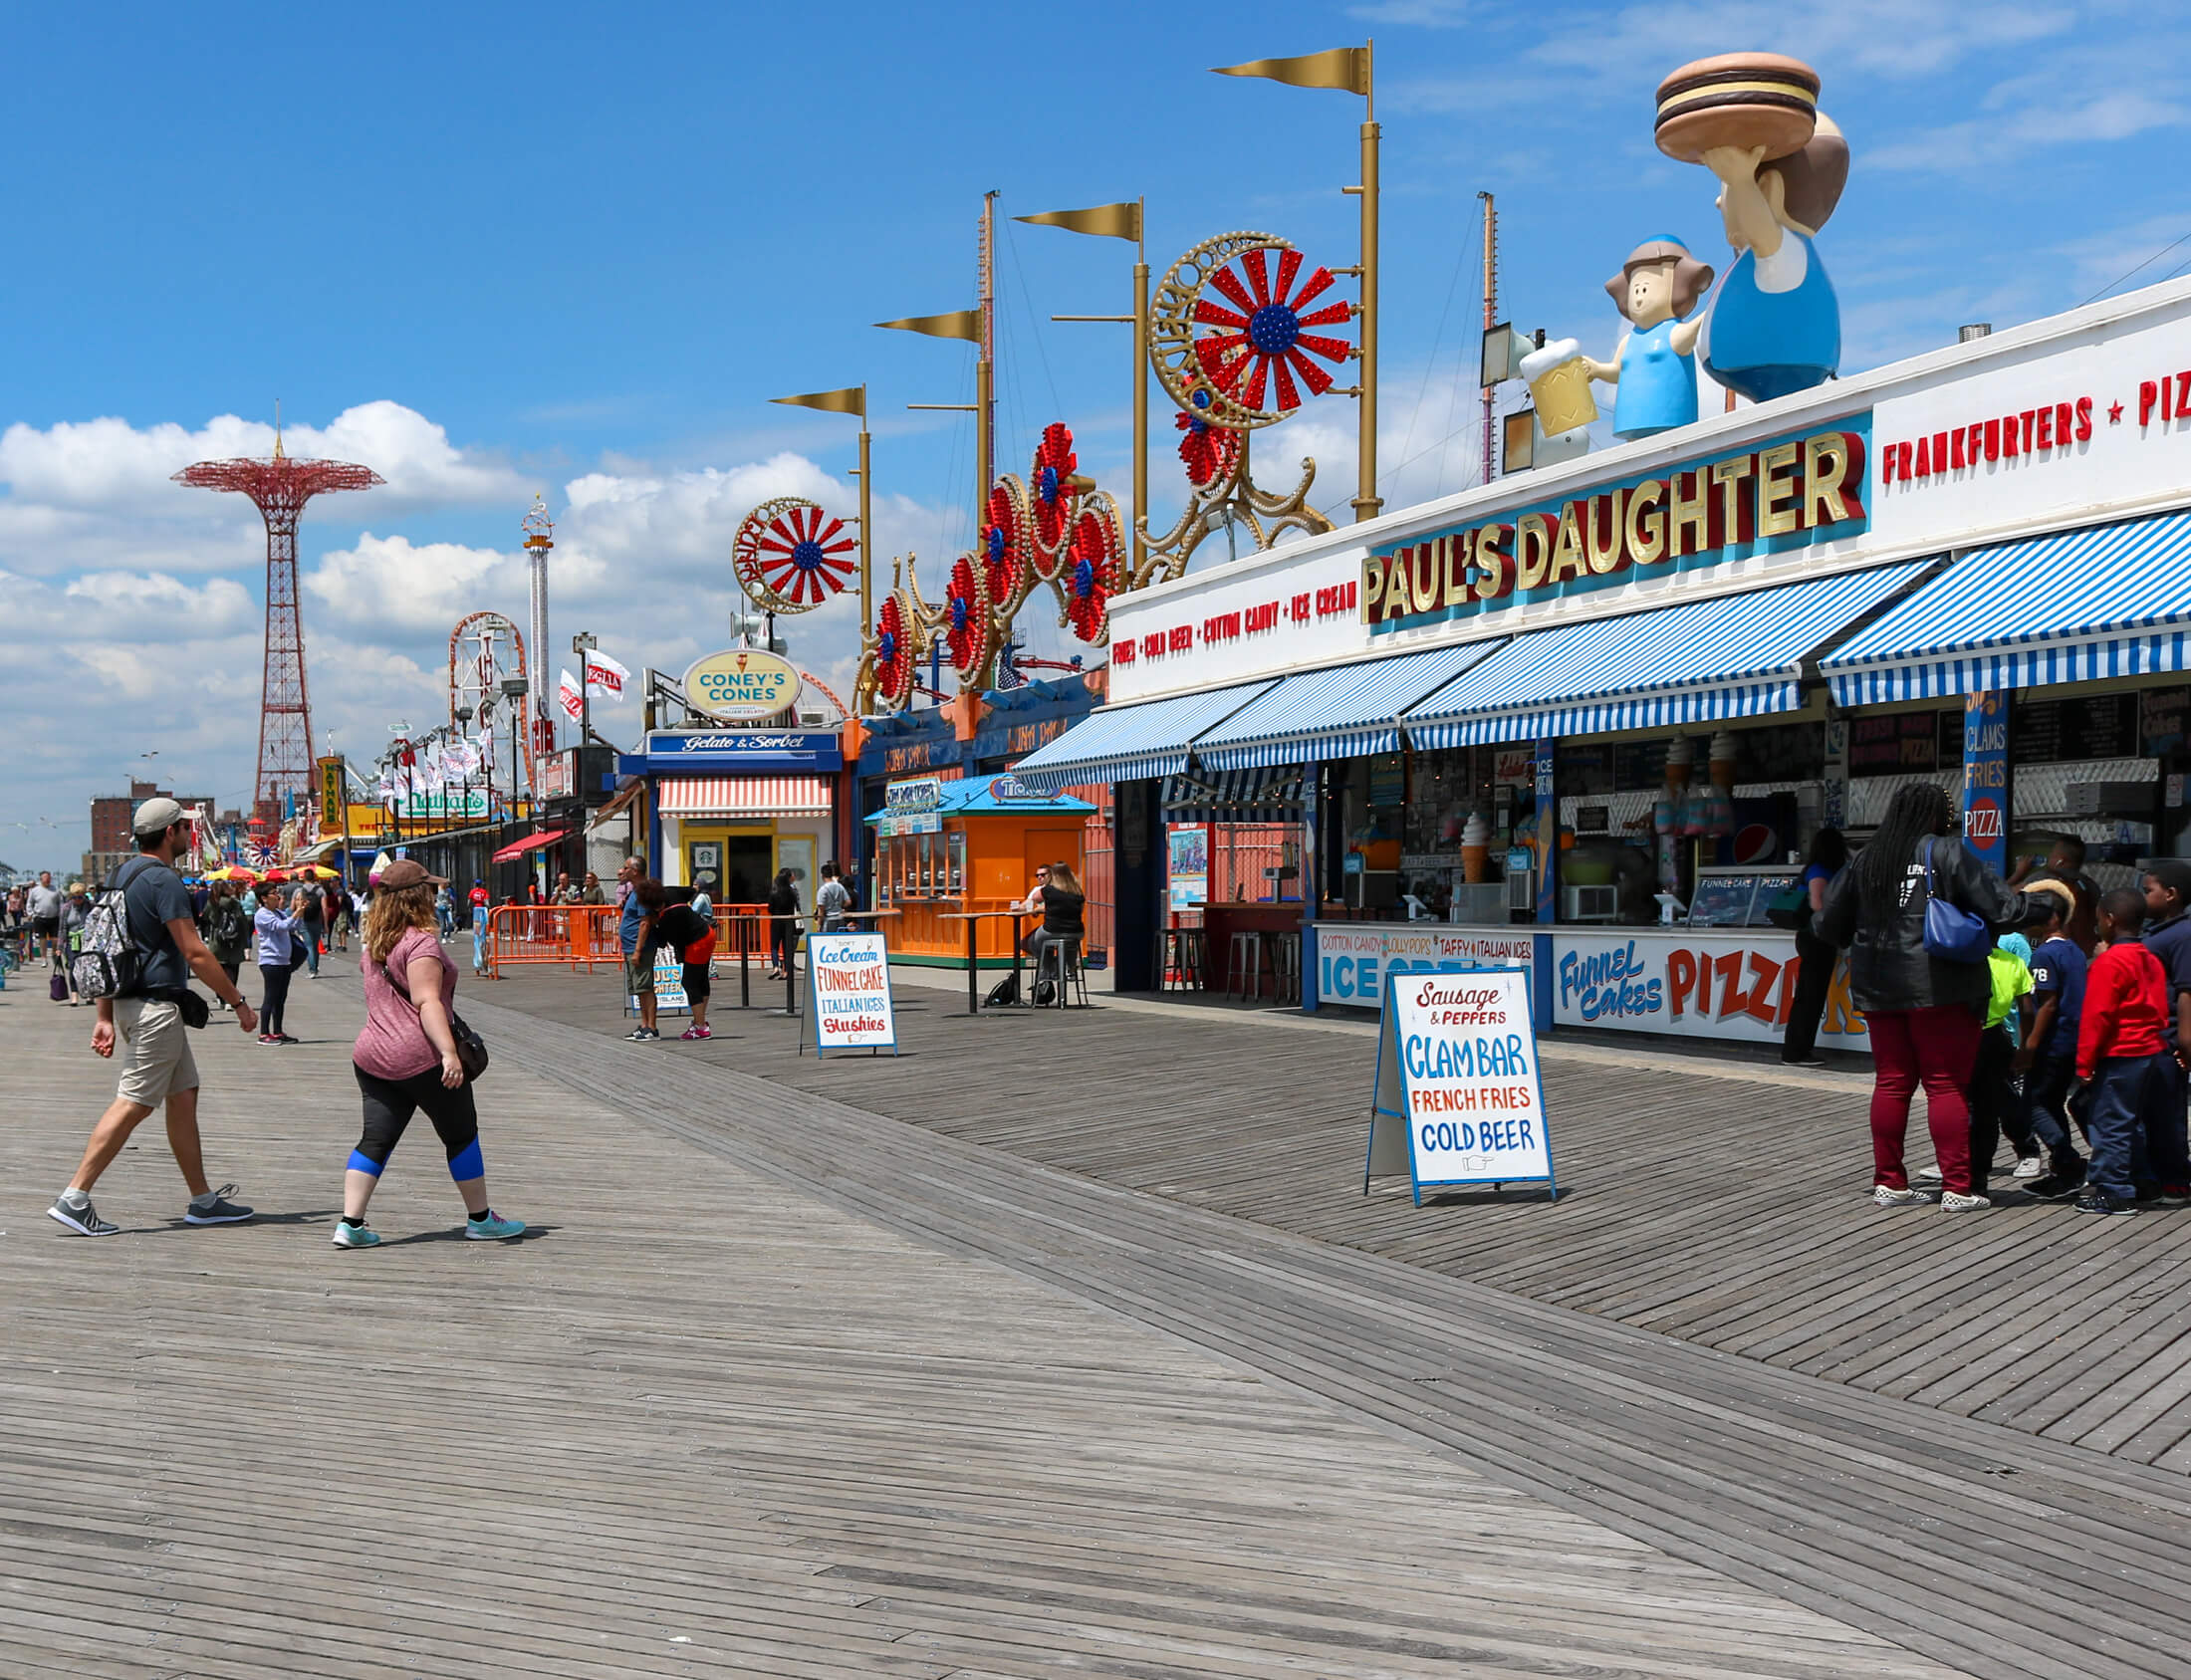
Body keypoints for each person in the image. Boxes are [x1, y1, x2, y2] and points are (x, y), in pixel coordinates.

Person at [1812, 781, 2032, 1209]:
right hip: (1941, 987)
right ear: (1936, 816)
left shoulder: (1866, 860)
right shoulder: (1946, 852)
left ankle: (1889, 1182)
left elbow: (1827, 925)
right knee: (1944, 1085)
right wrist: (2044, 907)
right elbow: (2002, 909)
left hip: (1878, 987)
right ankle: (1957, 1188)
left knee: (1892, 1083)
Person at [47, 797, 259, 1237]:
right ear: (169, 833)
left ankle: (202, 1201)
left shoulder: (120, 876)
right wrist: (238, 1002)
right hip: (155, 1010)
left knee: (184, 1093)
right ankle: (75, 1196)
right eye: (184, 827)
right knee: (135, 1101)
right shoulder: (163, 880)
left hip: (131, 1004)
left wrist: (104, 1015)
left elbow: (106, 947)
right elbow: (195, 951)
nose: (188, 833)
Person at [335, 858, 524, 1249]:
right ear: (419, 895)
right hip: (419, 1057)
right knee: (461, 1135)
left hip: (373, 1056)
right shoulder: (420, 943)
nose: (436, 893)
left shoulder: (375, 941)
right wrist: (449, 1054)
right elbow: (427, 1002)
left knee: (375, 1140)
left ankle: (349, 1225)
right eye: (431, 888)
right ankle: (480, 1219)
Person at [2073, 889, 2175, 1216]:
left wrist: (2085, 1063)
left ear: (2109, 919)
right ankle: (2143, 1181)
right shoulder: (2149, 958)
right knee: (2131, 1120)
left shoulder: (2110, 962)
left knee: (2111, 1122)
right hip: (2149, 1049)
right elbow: (2160, 1006)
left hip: (2120, 1052)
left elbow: (2096, 1016)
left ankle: (2114, 1190)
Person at [2016, 884, 2089, 1199]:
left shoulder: (2045, 954)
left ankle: (2069, 1163)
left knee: (2032, 1105)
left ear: (2053, 917)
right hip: (2072, 1041)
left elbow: (2047, 1003)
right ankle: (2063, 1172)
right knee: (2051, 1102)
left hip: (2052, 1044)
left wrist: (2029, 1046)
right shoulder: (2074, 951)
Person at [2138, 859, 2191, 1200]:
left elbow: (2186, 991)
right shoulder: (2154, 931)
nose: (2142, 898)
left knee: (2167, 1115)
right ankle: (2157, 1174)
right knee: (2152, 1113)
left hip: (2169, 1042)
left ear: (2170, 894)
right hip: (2151, 1040)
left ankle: (2176, 1179)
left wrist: (2185, 1043)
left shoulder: (2184, 935)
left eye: (2148, 891)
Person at [1781, 827, 1847, 1067]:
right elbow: (1818, 904)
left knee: (1808, 995)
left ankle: (1796, 1050)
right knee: (1810, 997)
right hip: (1817, 938)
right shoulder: (1820, 870)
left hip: (1810, 938)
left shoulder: (1813, 868)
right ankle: (1797, 1052)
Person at [641, 887, 716, 1042]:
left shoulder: (666, 919)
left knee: (689, 982)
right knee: (701, 979)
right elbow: (691, 891)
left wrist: (653, 925)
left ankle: (701, 1027)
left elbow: (662, 943)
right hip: (707, 933)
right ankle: (699, 1020)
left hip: (697, 943)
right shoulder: (670, 892)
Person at [2013, 836, 2099, 953]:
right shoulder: (2091, 885)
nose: (2048, 859)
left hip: (2051, 950)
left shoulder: (2044, 877)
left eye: (2052, 855)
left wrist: (2019, 873)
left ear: (2060, 861)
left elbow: (2007, 895)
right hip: (2083, 952)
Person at [1019, 861, 1089, 997]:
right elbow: (1079, 911)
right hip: (1077, 931)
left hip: (1052, 929)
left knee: (1032, 941)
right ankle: (1070, 969)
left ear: (1054, 876)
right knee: (1070, 943)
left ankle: (1051, 968)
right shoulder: (1078, 893)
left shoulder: (1049, 890)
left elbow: (1034, 899)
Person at [253, 884, 302, 1046]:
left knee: (280, 998)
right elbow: (281, 927)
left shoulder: (278, 913)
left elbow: (292, 926)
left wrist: (300, 913)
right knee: (270, 997)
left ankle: (278, 1031)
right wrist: (296, 912)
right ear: (264, 898)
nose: (278, 896)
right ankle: (263, 1033)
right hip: (271, 961)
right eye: (273, 893)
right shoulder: (262, 914)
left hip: (283, 960)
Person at [617, 857, 658, 1040]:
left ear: (634, 871)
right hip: (630, 946)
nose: (622, 871)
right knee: (638, 988)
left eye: (626, 868)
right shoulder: (634, 891)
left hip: (640, 947)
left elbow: (645, 923)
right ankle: (644, 1025)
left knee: (645, 987)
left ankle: (652, 1027)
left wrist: (638, 951)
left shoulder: (643, 892)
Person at [202, 880, 251, 1009]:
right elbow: (242, 921)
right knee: (233, 970)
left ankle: (221, 997)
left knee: (218, 972)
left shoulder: (212, 903)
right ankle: (231, 999)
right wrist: (246, 941)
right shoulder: (234, 903)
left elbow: (206, 919)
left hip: (217, 941)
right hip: (235, 940)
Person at [59, 882, 92, 1005]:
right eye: (74, 897)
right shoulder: (66, 908)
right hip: (72, 941)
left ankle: (89, 994)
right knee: (73, 968)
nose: (77, 900)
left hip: (87, 941)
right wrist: (59, 947)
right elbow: (62, 928)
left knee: (88, 968)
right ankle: (74, 995)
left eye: (80, 897)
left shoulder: (90, 907)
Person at [765, 868, 801, 980]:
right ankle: (786, 971)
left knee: (774, 946)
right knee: (787, 947)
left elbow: (770, 909)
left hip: (776, 921)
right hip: (789, 922)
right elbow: (796, 906)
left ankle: (776, 967)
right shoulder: (792, 893)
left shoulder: (774, 893)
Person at [26, 868, 61, 967]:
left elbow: (60, 903)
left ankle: (54, 955)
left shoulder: (55, 890)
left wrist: (61, 913)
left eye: (49, 878)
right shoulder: (35, 891)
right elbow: (29, 903)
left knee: (55, 940)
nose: (47, 880)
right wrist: (31, 914)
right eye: (45, 878)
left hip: (54, 918)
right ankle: (44, 958)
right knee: (42, 940)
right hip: (40, 918)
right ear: (41, 879)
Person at [295, 879, 324, 977]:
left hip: (304, 921)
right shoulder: (320, 890)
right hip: (317, 920)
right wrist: (326, 924)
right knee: (315, 946)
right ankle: (315, 968)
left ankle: (312, 970)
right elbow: (324, 908)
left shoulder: (299, 890)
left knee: (309, 946)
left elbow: (292, 906)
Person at [815, 860, 852, 933]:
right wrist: (839, 906)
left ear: (822, 875)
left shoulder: (822, 890)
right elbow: (848, 902)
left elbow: (821, 910)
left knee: (828, 941)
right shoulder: (839, 886)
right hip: (840, 919)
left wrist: (819, 925)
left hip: (829, 920)